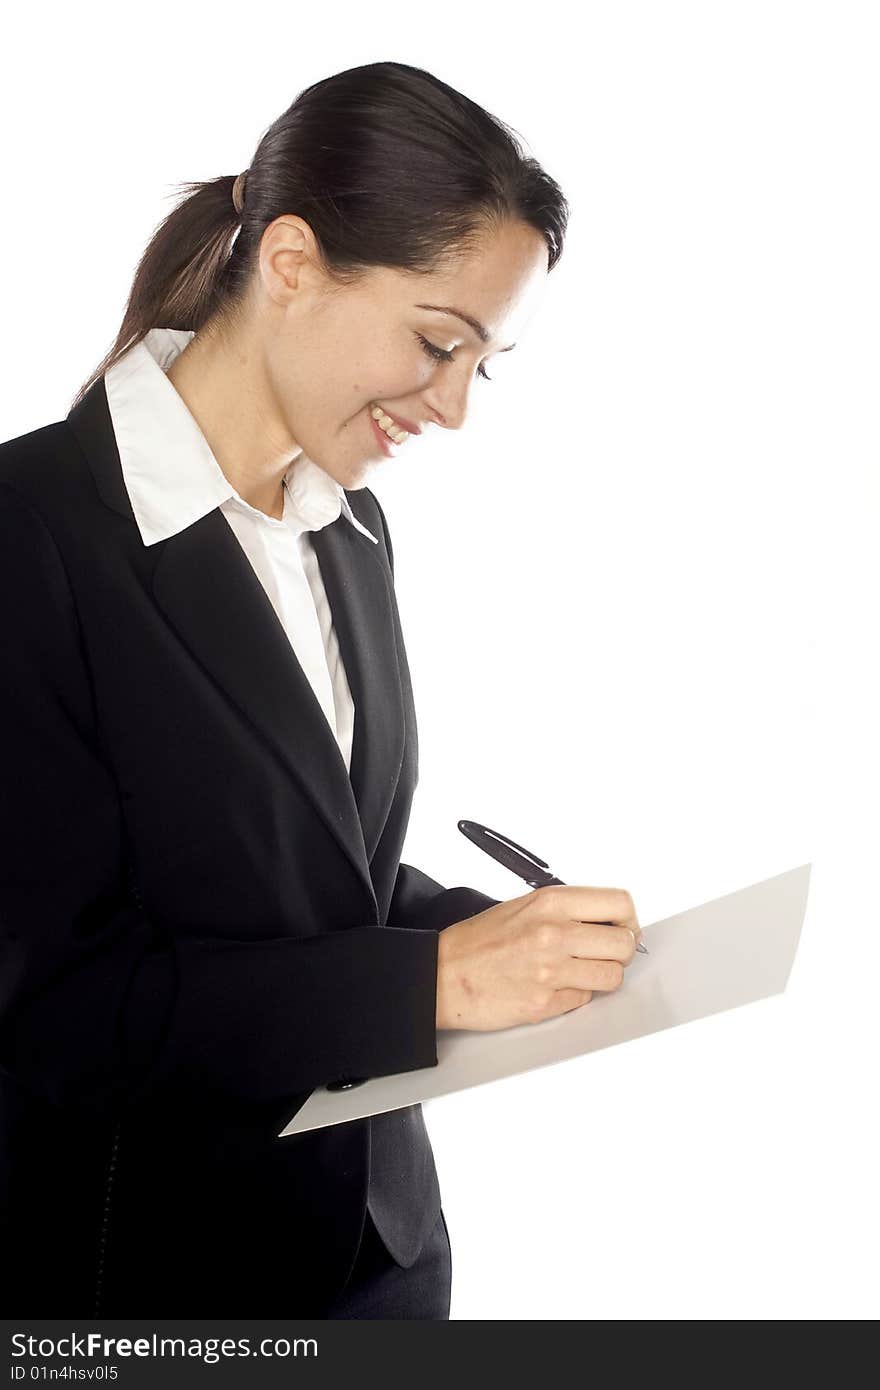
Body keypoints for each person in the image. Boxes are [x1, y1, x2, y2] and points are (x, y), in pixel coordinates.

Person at [0, 60, 641, 1319]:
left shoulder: (344, 534)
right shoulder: (32, 539)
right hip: (154, 1287)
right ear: (291, 262)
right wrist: (431, 983)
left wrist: (499, 938)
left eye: (482, 365)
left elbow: (307, 875)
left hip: (380, 1258)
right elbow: (59, 1010)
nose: (453, 406)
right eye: (436, 341)